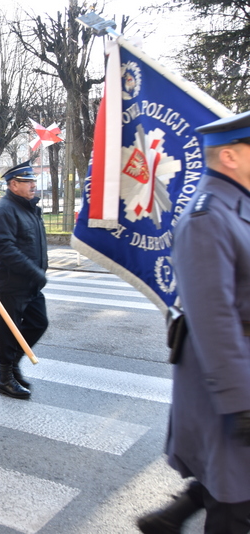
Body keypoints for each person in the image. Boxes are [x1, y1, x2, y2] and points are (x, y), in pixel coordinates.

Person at [137, 112, 250, 534]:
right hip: (228, 375)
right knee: (235, 500)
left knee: (232, 479)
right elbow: (213, 318)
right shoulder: (208, 217)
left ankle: (172, 517)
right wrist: (241, 401)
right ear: (230, 157)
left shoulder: (237, 205)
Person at [0, 161, 49, 400]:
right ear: (13, 185)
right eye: (28, 181)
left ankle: (13, 366)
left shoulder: (29, 208)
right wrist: (34, 271)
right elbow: (4, 249)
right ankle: (5, 378)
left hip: (31, 282)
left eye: (33, 181)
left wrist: (38, 272)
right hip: (12, 281)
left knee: (38, 323)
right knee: (8, 329)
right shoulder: (4, 210)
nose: (33, 185)